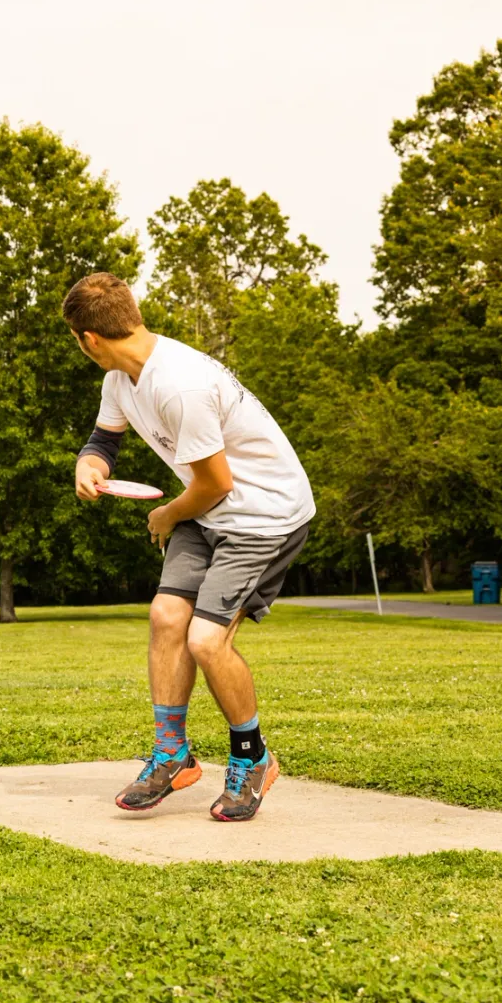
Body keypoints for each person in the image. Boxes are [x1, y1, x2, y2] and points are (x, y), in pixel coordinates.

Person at [64, 272, 314, 821]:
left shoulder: (179, 384)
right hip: (210, 507)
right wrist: (91, 464)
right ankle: (173, 755)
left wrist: (164, 514)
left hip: (262, 515)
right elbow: (105, 439)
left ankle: (254, 758)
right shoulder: (121, 380)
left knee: (206, 639)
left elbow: (216, 484)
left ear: (89, 339)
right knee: (166, 616)